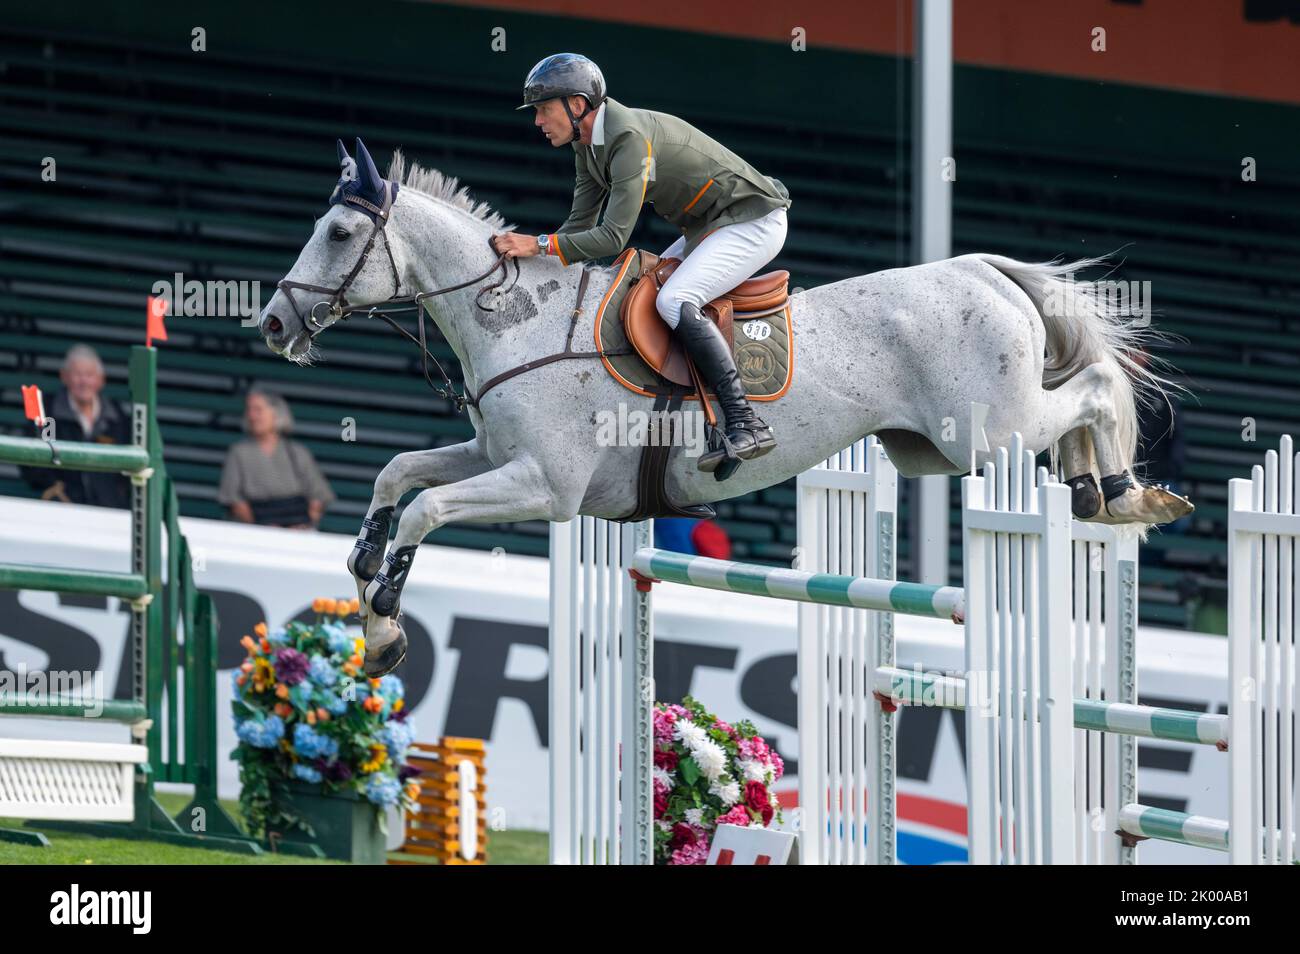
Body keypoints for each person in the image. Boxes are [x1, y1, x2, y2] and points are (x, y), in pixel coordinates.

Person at [492, 52, 792, 476]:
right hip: (709, 226)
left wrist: (536, 245)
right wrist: (535, 270)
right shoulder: (587, 147)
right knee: (645, 292)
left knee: (674, 299)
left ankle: (745, 421)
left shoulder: (627, 138)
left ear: (576, 106)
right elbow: (578, 228)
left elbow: (613, 237)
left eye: (543, 109)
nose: (538, 121)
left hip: (752, 220)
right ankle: (698, 418)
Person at [20, 344, 131, 508]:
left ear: (101, 380)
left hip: (109, 510)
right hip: (61, 509)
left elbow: (128, 465)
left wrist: (118, 495)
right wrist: (54, 488)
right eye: (77, 374)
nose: (84, 381)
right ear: (64, 376)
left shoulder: (117, 416)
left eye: (90, 375)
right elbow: (33, 461)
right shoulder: (47, 414)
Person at [218, 388, 335, 529]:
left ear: (276, 414)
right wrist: (260, 526)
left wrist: (304, 523)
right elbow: (232, 498)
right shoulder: (239, 452)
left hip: (297, 528)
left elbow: (320, 495)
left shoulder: (297, 452)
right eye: (249, 410)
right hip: (255, 527)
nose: (252, 416)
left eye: (258, 410)